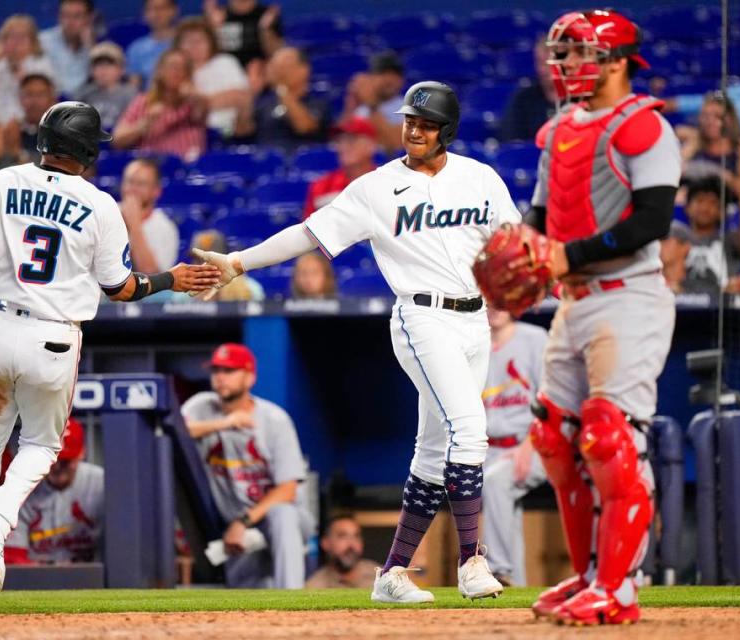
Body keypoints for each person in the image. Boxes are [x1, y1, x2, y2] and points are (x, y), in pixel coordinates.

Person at [193, 81, 516, 604]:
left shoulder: (481, 178)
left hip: (476, 320)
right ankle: (473, 561)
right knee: (471, 428)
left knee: (434, 452)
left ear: (447, 131)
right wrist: (237, 262)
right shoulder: (376, 188)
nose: (413, 129)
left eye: (425, 122)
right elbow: (307, 233)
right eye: (410, 119)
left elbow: (513, 242)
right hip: (422, 316)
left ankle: (391, 574)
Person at [0, 101, 220, 597]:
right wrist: (170, 279)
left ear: (45, 141)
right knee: (42, 445)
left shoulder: (2, 181)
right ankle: (0, 522)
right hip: (53, 337)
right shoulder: (99, 204)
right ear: (88, 151)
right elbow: (119, 288)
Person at [524, 10, 680, 625]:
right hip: (573, 300)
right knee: (555, 437)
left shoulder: (646, 127)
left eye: (578, 53)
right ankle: (589, 575)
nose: (563, 65)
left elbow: (651, 222)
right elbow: (541, 215)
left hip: (628, 296)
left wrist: (568, 254)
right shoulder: (558, 127)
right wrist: (527, 252)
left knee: (608, 436)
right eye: (560, 54)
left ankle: (620, 589)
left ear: (618, 61)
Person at [181, 343, 313, 589]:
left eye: (229, 371)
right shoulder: (202, 406)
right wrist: (225, 423)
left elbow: (287, 490)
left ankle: (293, 599)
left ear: (250, 377)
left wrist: (242, 522)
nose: (220, 377)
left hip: (281, 517)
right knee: (248, 591)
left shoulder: (274, 420)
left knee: (282, 515)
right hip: (238, 522)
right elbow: (177, 432)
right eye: (216, 370)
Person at [480, 307, 547, 587]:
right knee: (495, 491)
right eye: (487, 299)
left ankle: (498, 571)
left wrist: (529, 445)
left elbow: (551, 401)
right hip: (488, 448)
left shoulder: (535, 339)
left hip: (536, 442)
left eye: (501, 300)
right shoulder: (473, 343)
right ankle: (515, 586)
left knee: (496, 482)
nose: (494, 307)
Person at [4, 417, 104, 564]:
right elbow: (13, 556)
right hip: (37, 579)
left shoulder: (101, 483)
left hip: (91, 577)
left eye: (65, 461)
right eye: (52, 460)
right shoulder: (22, 486)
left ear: (81, 454)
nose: (57, 467)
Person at [676, 92, 740, 215]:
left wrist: (730, 180)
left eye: (718, 117)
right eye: (705, 116)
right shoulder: (692, 149)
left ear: (730, 120)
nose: (710, 121)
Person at [113, 49, 209, 161]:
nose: (178, 72)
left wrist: (195, 96)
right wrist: (145, 123)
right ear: (160, 70)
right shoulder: (143, 101)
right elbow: (117, 140)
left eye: (184, 68)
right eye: (173, 66)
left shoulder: (193, 101)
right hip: (151, 167)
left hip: (188, 166)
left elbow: (202, 111)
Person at [0, 14, 55, 125]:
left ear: (32, 42)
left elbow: (43, 101)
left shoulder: (41, 65)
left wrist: (18, 69)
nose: (16, 42)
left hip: (26, 125)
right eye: (11, 36)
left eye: (22, 37)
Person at [241, 47, 331, 152]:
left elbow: (304, 128)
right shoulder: (264, 103)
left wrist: (281, 88)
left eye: (284, 67)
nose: (279, 72)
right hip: (266, 163)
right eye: (276, 67)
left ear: (304, 70)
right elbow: (241, 131)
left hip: (302, 163)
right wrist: (250, 93)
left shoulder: (318, 102)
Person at [174, 17, 251, 138]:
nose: (194, 46)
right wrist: (220, 99)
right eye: (188, 41)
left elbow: (241, 97)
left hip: (229, 131)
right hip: (188, 135)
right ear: (178, 46)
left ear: (211, 42)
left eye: (200, 40)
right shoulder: (176, 70)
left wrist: (200, 101)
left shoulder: (225, 62)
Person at [303, 116, 377, 219]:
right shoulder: (321, 186)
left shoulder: (386, 183)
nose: (343, 147)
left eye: (351, 140)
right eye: (339, 141)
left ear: (370, 146)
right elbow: (308, 231)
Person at [118, 158, 179, 274]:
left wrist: (134, 225)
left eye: (141, 184)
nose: (133, 189)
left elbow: (151, 274)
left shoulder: (166, 228)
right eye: (129, 182)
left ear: (156, 191)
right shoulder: (104, 213)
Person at [683, 176, 740, 290]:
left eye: (712, 203)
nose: (705, 208)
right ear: (687, 207)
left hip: (723, 306)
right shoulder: (675, 240)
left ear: (722, 212)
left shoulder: (731, 242)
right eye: (700, 200)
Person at [343, 51, 407, 153]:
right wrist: (351, 102)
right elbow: (343, 142)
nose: (388, 79)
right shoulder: (361, 109)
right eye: (382, 73)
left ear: (402, 80)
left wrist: (372, 105)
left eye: (394, 74)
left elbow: (397, 144)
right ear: (371, 79)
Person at [204, 0, 283, 77]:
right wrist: (215, 29)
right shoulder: (218, 15)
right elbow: (207, 57)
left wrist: (266, 30)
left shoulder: (267, 15)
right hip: (225, 72)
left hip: (260, 72)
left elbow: (276, 53)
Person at [498, 41, 557, 142]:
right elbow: (511, 141)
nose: (543, 70)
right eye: (540, 63)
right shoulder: (523, 98)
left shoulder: (580, 100)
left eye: (549, 63)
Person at [184, 230, 265, 301]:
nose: (202, 266)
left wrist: (234, 301)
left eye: (210, 261)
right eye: (198, 260)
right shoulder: (184, 291)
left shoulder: (250, 288)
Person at [74, 42, 138, 130]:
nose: (103, 70)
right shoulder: (84, 94)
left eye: (109, 65)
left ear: (122, 69)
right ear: (91, 70)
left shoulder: (131, 95)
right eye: (98, 65)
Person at [305, 516, 381, 589]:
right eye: (342, 536)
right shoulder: (314, 588)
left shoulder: (383, 577)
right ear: (325, 543)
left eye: (356, 536)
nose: (351, 544)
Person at [39, 0, 95, 96]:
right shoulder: (42, 41)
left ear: (89, 18)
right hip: (51, 100)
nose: (69, 22)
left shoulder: (98, 45)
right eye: (65, 15)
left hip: (85, 102)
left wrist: (90, 47)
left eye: (77, 16)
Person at [126, 0, 180, 89]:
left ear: (174, 11)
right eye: (150, 9)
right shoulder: (136, 49)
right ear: (144, 14)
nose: (156, 13)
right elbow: (133, 87)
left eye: (161, 8)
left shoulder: (184, 43)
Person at [660, 220, 718, 296]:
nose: (660, 245)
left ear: (686, 247)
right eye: (658, 241)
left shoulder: (702, 282)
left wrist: (683, 290)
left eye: (665, 241)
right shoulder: (650, 280)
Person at [18, 73, 59, 164]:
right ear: (20, 99)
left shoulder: (66, 133)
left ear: (52, 99)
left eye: (40, 95)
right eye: (29, 94)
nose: (34, 101)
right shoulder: (13, 132)